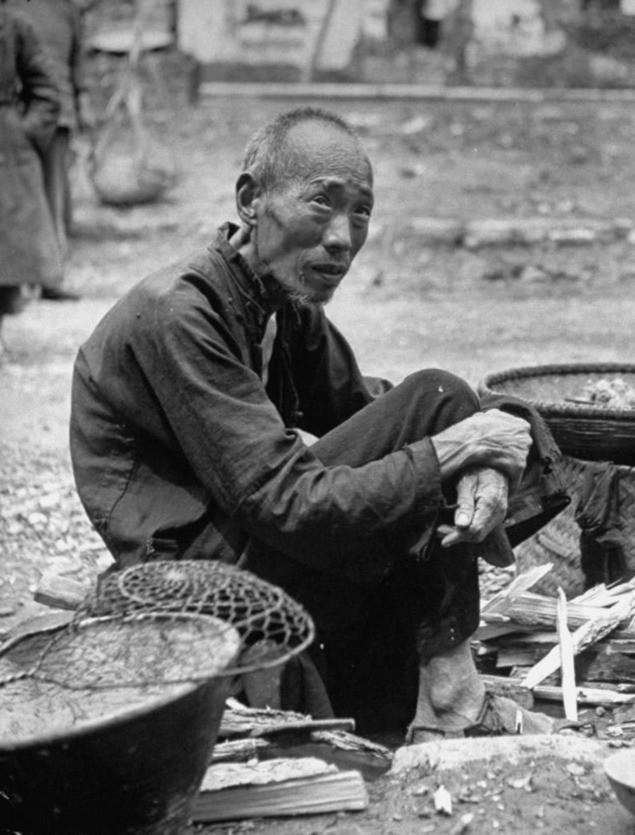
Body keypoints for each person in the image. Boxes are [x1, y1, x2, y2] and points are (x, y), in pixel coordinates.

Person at [70, 106, 569, 741]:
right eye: (322, 204)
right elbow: (283, 499)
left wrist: (492, 435)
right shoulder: (179, 314)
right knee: (439, 404)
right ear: (252, 200)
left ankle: (441, 695)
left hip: (253, 550)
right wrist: (454, 447)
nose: (342, 236)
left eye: (360, 211)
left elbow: (371, 415)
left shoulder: (284, 305)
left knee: (449, 414)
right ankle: (450, 695)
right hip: (189, 587)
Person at [10, 0, 95, 300]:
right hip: (19, 116)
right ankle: (20, 278)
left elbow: (77, 62)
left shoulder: (66, 9)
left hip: (51, 114)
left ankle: (51, 275)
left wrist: (82, 104)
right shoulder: (12, 10)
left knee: (52, 193)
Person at [0, 1, 62, 330]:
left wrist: (25, 132)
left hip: (5, 151)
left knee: (5, 257)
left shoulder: (14, 25)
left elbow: (47, 89)